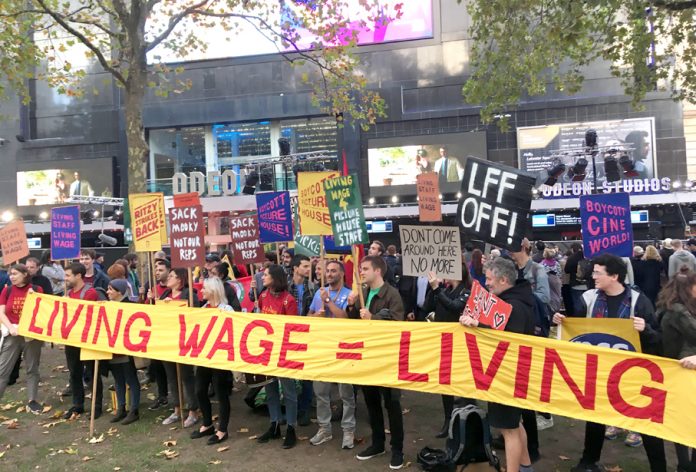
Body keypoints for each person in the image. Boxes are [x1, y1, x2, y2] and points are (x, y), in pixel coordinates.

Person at [552, 254, 665, 472]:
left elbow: (658, 340)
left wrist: (646, 330)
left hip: (633, 375)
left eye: (597, 272)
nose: (591, 275)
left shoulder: (639, 301)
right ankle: (588, 461)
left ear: (614, 276)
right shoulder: (588, 298)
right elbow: (575, 328)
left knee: (645, 422)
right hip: (598, 371)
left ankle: (658, 468)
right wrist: (561, 321)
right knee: (595, 417)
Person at [460, 257, 535, 472]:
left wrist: (479, 326)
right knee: (514, 424)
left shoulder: (513, 307)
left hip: (507, 375)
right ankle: (526, 466)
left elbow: (509, 341)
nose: (487, 283)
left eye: (490, 279)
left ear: (503, 280)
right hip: (513, 374)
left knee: (508, 429)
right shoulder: (516, 300)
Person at [347, 255, 405, 470]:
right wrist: (351, 307)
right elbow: (356, 324)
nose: (361, 272)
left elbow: (398, 323)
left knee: (392, 404)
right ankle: (378, 443)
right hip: (367, 355)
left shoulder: (392, 294)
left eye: (365, 268)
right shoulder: (362, 293)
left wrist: (374, 318)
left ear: (378, 271)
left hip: (387, 356)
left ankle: (397, 449)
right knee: (371, 402)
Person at [308, 260, 356, 449]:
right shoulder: (319, 294)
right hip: (322, 348)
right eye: (327, 271)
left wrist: (328, 301)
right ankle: (324, 429)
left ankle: (348, 430)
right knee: (320, 391)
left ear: (342, 274)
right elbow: (307, 317)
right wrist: (316, 316)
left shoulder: (350, 294)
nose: (329, 274)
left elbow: (345, 318)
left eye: (333, 270)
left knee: (346, 392)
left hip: (343, 349)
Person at [421, 264, 471, 438]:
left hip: (460, 344)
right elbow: (426, 307)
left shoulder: (466, 292)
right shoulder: (444, 290)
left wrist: (437, 289)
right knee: (445, 383)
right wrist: (434, 288)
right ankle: (448, 419)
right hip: (444, 342)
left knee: (462, 383)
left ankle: (467, 419)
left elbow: (455, 307)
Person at [254, 264, 299, 449]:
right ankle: (274, 424)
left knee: (289, 392)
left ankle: (291, 427)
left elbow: (293, 328)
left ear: (275, 278)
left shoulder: (289, 300)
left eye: (265, 274)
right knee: (270, 388)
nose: (262, 277)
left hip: (284, 352)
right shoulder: (263, 296)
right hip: (267, 351)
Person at [658, 269, 696, 472]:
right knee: (684, 419)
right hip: (682, 370)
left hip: (679, 369)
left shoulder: (676, 308)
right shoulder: (678, 312)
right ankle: (686, 465)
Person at [192, 278, 235, 445]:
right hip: (205, 357)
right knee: (200, 390)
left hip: (220, 358)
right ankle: (207, 423)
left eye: (204, 288)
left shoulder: (227, 310)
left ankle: (222, 429)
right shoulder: (203, 309)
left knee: (221, 392)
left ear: (213, 291)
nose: (201, 291)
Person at [61, 262, 105, 420]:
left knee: (93, 373)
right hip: (72, 339)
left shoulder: (90, 292)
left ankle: (97, 405)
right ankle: (78, 404)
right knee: (74, 373)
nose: (65, 279)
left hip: (87, 339)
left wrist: (68, 304)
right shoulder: (68, 293)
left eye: (68, 275)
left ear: (78, 275)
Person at [0, 264, 44, 413]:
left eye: (15, 274)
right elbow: (1, 312)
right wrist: (11, 328)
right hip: (12, 334)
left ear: (25, 274)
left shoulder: (37, 290)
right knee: (3, 369)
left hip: (31, 336)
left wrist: (34, 298)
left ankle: (32, 400)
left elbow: (41, 312)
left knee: (32, 368)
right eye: (10, 274)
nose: (11, 277)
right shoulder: (8, 290)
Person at [160, 268, 199, 428]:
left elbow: (195, 317)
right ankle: (177, 409)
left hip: (183, 343)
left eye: (171, 276)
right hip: (167, 342)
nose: (167, 279)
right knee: (172, 377)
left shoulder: (189, 295)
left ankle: (193, 411)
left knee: (186, 376)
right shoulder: (164, 296)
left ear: (180, 279)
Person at [105, 279, 140, 425]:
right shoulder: (107, 306)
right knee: (118, 380)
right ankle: (121, 408)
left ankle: (134, 410)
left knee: (131, 379)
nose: (107, 292)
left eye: (110, 289)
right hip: (113, 348)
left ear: (119, 292)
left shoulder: (130, 306)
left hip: (126, 349)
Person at [146, 259, 171, 411]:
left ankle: (176, 398)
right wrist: (146, 299)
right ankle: (162, 396)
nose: (157, 272)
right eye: (156, 269)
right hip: (155, 334)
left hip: (168, 334)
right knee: (158, 367)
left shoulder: (172, 289)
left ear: (169, 271)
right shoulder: (152, 288)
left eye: (161, 270)